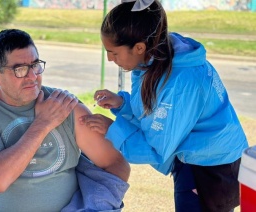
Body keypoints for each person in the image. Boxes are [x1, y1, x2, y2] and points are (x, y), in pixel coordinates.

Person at [79, 0, 249, 211]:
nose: (110, 59)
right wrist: (124, 104)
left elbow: (156, 148)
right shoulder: (156, 57)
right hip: (203, 157)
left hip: (210, 168)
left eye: (114, 53)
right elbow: (158, 113)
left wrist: (112, 129)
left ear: (139, 47)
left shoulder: (178, 81)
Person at [0, 28, 130, 212]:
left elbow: (116, 164)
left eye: (35, 65)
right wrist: (44, 123)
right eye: (20, 70)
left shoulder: (65, 105)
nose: (33, 77)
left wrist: (96, 204)